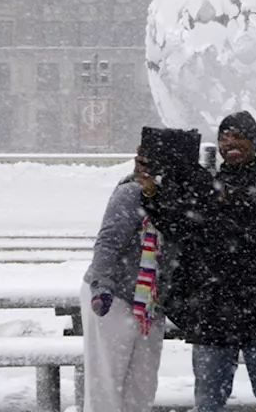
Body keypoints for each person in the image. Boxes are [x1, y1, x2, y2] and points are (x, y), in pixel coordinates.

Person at [136, 111, 256, 412]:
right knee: (208, 401)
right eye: (224, 137)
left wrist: (212, 190)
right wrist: (151, 192)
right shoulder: (207, 186)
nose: (230, 143)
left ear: (255, 142)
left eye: (238, 136)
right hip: (213, 310)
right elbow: (176, 225)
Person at [81, 153, 169, 412]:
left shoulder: (179, 197)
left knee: (141, 390)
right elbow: (108, 242)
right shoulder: (131, 193)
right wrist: (102, 286)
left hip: (150, 305)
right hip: (113, 297)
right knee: (106, 389)